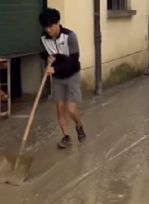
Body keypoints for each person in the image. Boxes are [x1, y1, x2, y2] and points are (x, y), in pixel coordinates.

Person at [38, 8, 86, 149]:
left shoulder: (70, 36)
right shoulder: (43, 38)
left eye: (50, 26)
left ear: (57, 23)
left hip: (72, 75)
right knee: (60, 108)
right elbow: (42, 53)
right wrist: (47, 57)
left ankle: (79, 125)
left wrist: (55, 69)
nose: (48, 30)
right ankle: (66, 137)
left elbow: (74, 61)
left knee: (71, 109)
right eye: (45, 27)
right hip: (57, 78)